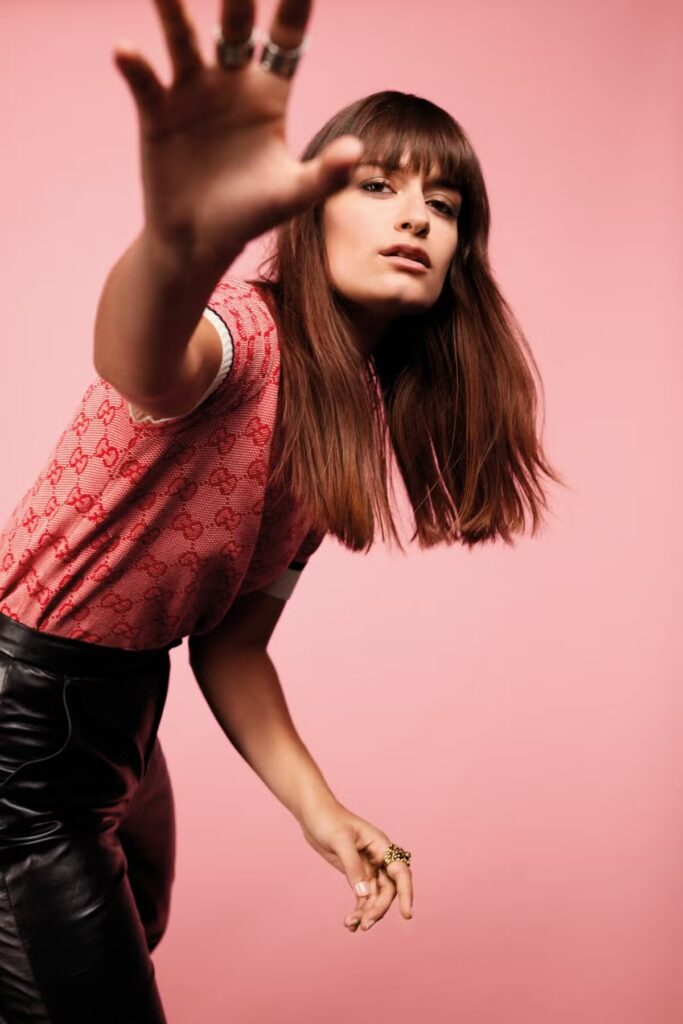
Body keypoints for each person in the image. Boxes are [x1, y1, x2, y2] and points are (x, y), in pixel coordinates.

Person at [0, 0, 565, 1020]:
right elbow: (138, 356)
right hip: (20, 730)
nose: (414, 217)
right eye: (377, 186)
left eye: (442, 204)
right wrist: (178, 240)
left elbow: (231, 644)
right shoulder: (241, 335)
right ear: (308, 212)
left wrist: (322, 813)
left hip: (118, 727)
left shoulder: (347, 408)